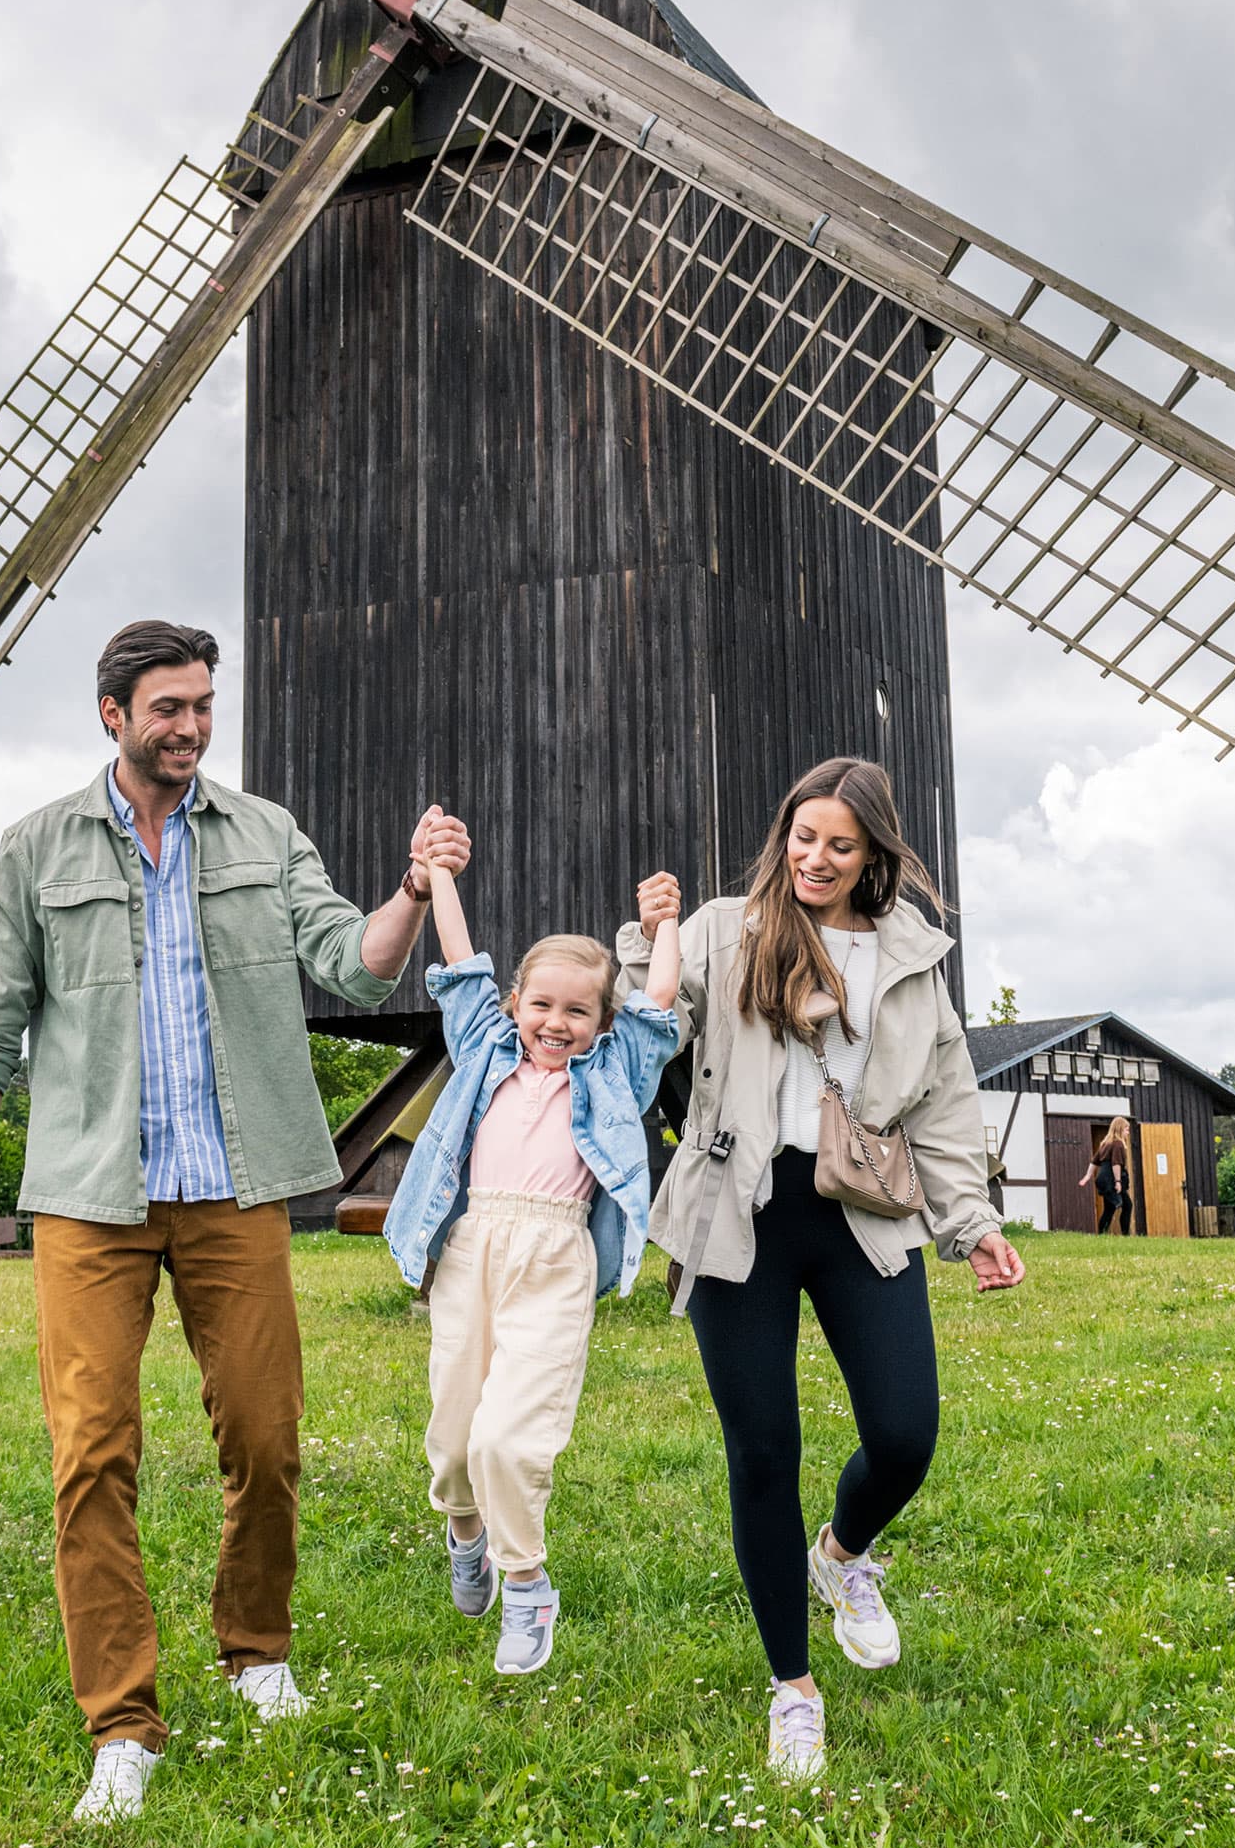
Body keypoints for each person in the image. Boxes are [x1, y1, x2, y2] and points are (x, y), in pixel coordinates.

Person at [0, 618, 470, 1827]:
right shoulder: (35, 850)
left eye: (202, 704)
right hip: (90, 1196)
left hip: (235, 1182)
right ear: (111, 712)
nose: (189, 724)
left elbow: (359, 962)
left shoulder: (264, 833)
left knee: (267, 1434)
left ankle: (255, 1647)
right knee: (90, 1451)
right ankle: (122, 1721)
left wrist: (412, 890)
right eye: (167, 705)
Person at [619, 757, 1026, 1781]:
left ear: (872, 854)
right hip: (737, 1209)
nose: (814, 857)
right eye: (802, 838)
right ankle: (791, 1688)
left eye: (838, 845)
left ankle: (841, 1554)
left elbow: (940, 1101)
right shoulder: (725, 927)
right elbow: (648, 1031)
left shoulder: (906, 957)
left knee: (904, 1431)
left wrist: (970, 1222)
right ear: (783, 836)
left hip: (860, 1210)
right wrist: (650, 943)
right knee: (762, 1450)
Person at [381, 852, 680, 1676]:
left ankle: (526, 1583)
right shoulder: (483, 1045)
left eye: (578, 1011)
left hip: (554, 1257)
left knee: (510, 1438)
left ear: (599, 1021)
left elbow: (659, 1005)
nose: (556, 1022)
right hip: (473, 1249)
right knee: (453, 1439)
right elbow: (457, 957)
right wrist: (438, 874)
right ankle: (465, 1532)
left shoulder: (614, 1068)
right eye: (541, 1004)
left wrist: (666, 929)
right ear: (515, 1004)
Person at [1080, 1117, 1137, 1235]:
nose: (1128, 1132)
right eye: (1126, 1129)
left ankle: (1101, 1234)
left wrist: (1087, 1175)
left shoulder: (1105, 1144)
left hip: (1103, 1179)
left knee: (1109, 1209)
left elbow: (1094, 1161)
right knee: (1127, 1205)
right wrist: (1118, 1181)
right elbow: (1116, 1163)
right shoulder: (1118, 1144)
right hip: (1111, 1179)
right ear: (1120, 1129)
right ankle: (1125, 1234)